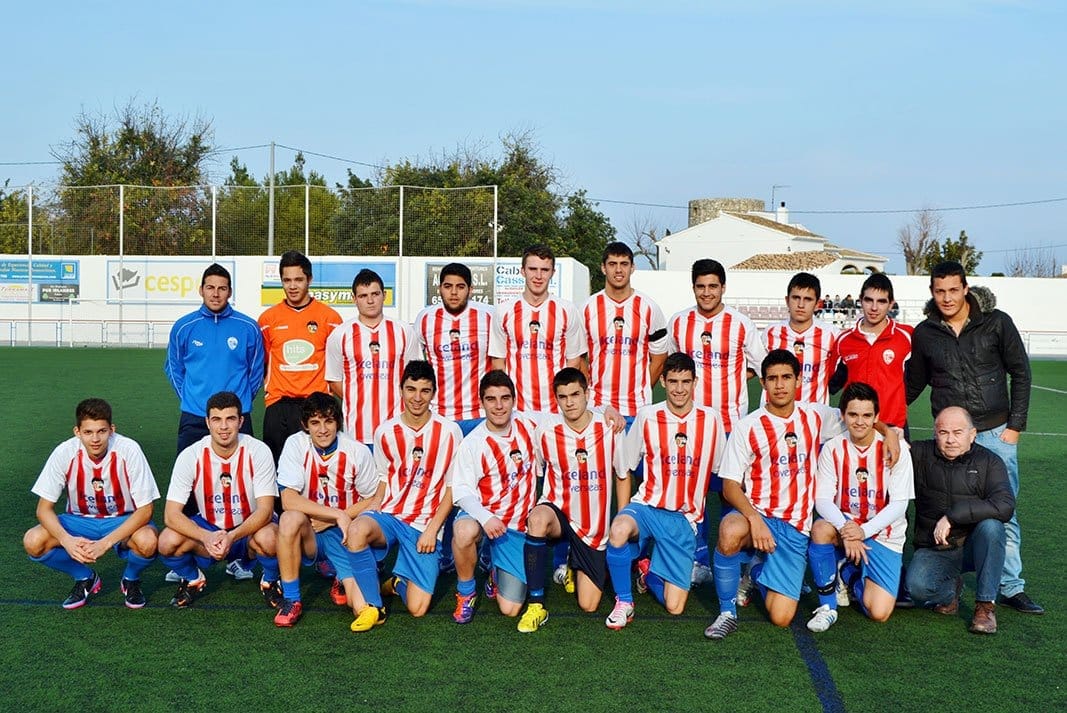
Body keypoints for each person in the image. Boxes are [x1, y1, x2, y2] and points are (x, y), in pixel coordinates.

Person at [704, 350, 899, 640]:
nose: (779, 385)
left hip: (795, 527)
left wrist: (889, 432)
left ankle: (756, 570)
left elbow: (857, 416)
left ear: (798, 381)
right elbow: (730, 484)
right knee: (730, 528)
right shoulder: (748, 427)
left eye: (786, 377)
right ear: (763, 383)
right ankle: (726, 612)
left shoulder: (815, 415)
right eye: (772, 379)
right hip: (758, 515)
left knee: (781, 617)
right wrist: (754, 519)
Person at [906, 261, 1041, 615]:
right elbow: (912, 383)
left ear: (966, 289)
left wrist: (1014, 427)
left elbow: (1021, 372)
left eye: (954, 290)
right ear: (932, 292)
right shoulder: (925, 333)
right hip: (949, 436)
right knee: (940, 503)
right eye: (940, 291)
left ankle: (1010, 586)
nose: (947, 298)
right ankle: (948, 576)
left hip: (995, 433)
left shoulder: (996, 322)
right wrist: (882, 415)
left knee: (1003, 513)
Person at [603, 352, 726, 629]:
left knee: (674, 606)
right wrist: (624, 513)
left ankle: (648, 574)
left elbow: (720, 470)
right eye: (673, 381)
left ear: (695, 382)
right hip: (647, 507)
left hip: (683, 520)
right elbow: (625, 467)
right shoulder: (647, 416)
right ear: (662, 382)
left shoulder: (711, 420)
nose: (679, 389)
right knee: (619, 529)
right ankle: (624, 602)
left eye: (685, 381)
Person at [344, 361, 464, 632]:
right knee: (357, 529)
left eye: (424, 390)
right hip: (390, 514)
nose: (417, 397)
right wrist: (373, 507)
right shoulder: (385, 432)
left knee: (417, 609)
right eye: (411, 389)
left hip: (424, 524)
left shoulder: (449, 431)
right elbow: (384, 478)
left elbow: (451, 488)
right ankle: (374, 607)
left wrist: (433, 530)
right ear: (401, 390)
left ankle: (398, 582)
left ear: (434, 393)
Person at [667, 258, 766, 584]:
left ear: (723, 287)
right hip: (691, 426)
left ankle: (735, 564)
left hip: (730, 426)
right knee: (691, 494)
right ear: (693, 287)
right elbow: (674, 366)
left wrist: (736, 377)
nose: (707, 292)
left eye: (713, 286)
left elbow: (762, 366)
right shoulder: (679, 323)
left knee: (730, 494)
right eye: (701, 286)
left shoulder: (740, 324)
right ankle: (698, 561)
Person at [516, 368, 628, 633]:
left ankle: (572, 560)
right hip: (559, 513)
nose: (569, 402)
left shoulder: (609, 428)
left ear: (587, 394)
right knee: (537, 519)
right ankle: (536, 605)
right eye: (563, 396)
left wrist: (621, 519)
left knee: (588, 604)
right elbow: (539, 473)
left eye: (575, 394)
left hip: (593, 529)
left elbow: (622, 475)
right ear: (556, 399)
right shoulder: (545, 430)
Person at [23, 398, 159, 609]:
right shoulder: (64, 452)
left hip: (122, 519)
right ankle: (85, 577)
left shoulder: (129, 450)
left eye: (101, 431)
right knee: (33, 541)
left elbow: (146, 510)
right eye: (88, 432)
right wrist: (66, 540)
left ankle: (131, 579)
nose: (95, 439)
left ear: (112, 430)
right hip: (79, 520)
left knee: (148, 541)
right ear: (77, 432)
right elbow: (43, 509)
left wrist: (105, 543)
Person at [805, 382, 914, 632]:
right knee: (820, 529)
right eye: (853, 415)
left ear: (876, 417)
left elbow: (899, 505)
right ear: (843, 416)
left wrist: (862, 532)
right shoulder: (832, 448)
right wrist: (847, 529)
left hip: (883, 534)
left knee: (879, 612)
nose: (860, 422)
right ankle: (827, 607)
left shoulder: (896, 450)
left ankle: (849, 573)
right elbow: (822, 499)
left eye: (866, 415)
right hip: (846, 525)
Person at [158, 391, 280, 608]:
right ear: (207, 422)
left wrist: (232, 536)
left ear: (241, 421)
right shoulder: (191, 455)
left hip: (248, 528)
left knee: (271, 538)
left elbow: (265, 510)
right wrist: (205, 536)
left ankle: (270, 581)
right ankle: (193, 578)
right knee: (167, 541)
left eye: (230, 419)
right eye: (216, 419)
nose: (223, 427)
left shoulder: (258, 451)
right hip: (209, 528)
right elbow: (171, 514)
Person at [272, 392, 378, 627]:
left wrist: (337, 519)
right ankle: (291, 599)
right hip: (311, 533)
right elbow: (288, 500)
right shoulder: (296, 445)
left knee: (361, 606)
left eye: (328, 421)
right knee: (289, 519)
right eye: (315, 422)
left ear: (337, 422)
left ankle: (342, 576)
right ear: (305, 425)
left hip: (345, 536)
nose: (322, 430)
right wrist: (336, 514)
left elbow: (374, 498)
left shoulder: (356, 451)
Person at [906, 406, 1015, 634]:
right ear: (935, 433)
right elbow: (889, 449)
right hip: (936, 547)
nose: (950, 440)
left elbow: (1005, 505)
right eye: (943, 432)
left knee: (992, 527)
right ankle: (950, 590)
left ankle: (985, 606)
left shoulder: (989, 462)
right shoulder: (919, 454)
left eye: (958, 432)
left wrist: (952, 516)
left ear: (972, 434)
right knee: (916, 588)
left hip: (974, 545)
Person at [449, 370, 541, 623]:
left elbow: (569, 413)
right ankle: (466, 592)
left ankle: (494, 569)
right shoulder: (473, 443)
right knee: (464, 531)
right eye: (491, 399)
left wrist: (606, 411)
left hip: (516, 528)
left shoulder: (529, 424)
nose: (499, 406)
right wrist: (486, 517)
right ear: (481, 402)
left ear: (514, 400)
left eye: (505, 398)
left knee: (510, 609)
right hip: (484, 518)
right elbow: (462, 492)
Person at [165, 263, 264, 454]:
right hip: (195, 415)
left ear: (230, 292)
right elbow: (174, 368)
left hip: (236, 417)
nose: (216, 294)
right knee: (189, 471)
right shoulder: (183, 327)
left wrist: (239, 402)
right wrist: (190, 398)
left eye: (222, 288)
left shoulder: (249, 328)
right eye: (210, 287)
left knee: (242, 471)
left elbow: (256, 372)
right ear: (201, 290)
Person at [258, 250, 343, 462]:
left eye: (298, 279)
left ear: (309, 280)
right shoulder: (267, 320)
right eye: (287, 280)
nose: (292, 286)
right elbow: (262, 363)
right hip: (278, 406)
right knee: (275, 468)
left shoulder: (330, 318)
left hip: (317, 406)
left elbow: (339, 366)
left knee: (318, 467)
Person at [326, 268, 420, 445]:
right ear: (354, 298)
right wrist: (357, 397)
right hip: (357, 434)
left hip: (398, 431)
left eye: (375, 294)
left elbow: (416, 378)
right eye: (363, 296)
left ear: (384, 295)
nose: (370, 301)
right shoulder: (340, 335)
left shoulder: (404, 332)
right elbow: (334, 380)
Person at [489, 244, 585, 413]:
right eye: (533, 269)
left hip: (556, 410)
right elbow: (498, 363)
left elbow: (574, 362)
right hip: (517, 410)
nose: (538, 276)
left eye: (545, 270)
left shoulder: (567, 310)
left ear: (553, 273)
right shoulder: (504, 311)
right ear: (523, 271)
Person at [581, 241, 669, 420]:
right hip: (597, 408)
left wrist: (642, 389)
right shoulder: (587, 308)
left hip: (637, 409)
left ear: (632, 268)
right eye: (612, 264)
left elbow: (659, 359)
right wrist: (588, 390)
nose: (618, 270)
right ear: (603, 268)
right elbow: (578, 357)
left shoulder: (649, 308)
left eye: (624, 264)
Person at [415, 262, 494, 437]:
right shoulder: (425, 318)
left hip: (480, 414)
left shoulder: (488, 316)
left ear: (470, 290)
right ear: (439, 289)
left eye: (460, 287)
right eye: (448, 286)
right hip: (439, 414)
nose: (453, 292)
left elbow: (499, 362)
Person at [833, 273, 912, 432]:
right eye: (869, 300)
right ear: (860, 300)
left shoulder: (907, 336)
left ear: (891, 304)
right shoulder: (844, 340)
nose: (874, 308)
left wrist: (900, 403)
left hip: (893, 427)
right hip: (855, 426)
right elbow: (829, 381)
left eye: (881, 301)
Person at [764, 272, 839, 404]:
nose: (801, 305)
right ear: (787, 300)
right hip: (775, 413)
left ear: (817, 304)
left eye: (808, 299)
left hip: (814, 414)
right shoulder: (770, 332)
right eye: (796, 298)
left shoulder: (831, 335)